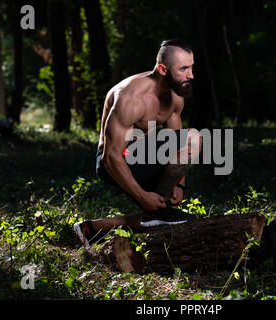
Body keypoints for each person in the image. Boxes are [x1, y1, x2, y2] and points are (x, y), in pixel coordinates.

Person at [74, 39, 203, 248]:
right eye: (184, 69)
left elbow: (177, 144)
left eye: (191, 67)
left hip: (143, 156)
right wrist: (142, 196)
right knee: (193, 137)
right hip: (114, 160)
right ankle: (156, 211)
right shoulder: (130, 97)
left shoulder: (176, 96)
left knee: (165, 219)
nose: (191, 75)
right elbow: (110, 156)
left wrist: (179, 183)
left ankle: (92, 229)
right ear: (162, 69)